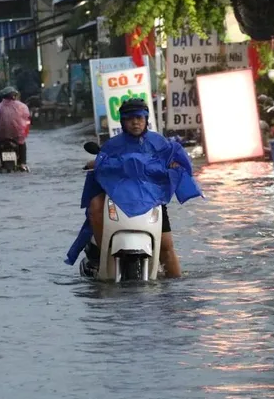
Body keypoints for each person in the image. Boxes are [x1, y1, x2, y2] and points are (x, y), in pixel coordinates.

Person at [76, 98, 201, 278]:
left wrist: (174, 165)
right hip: (118, 197)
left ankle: (177, 286)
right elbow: (102, 160)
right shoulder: (113, 145)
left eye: (139, 118)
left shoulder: (159, 143)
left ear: (146, 119)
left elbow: (175, 159)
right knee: (95, 206)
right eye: (130, 118)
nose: (135, 122)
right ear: (122, 121)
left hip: (151, 198)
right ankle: (104, 251)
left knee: (166, 247)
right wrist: (97, 162)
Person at [0, 86, 30, 171]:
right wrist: (23, 134)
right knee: (22, 144)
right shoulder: (22, 107)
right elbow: (27, 121)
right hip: (16, 138)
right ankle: (23, 163)